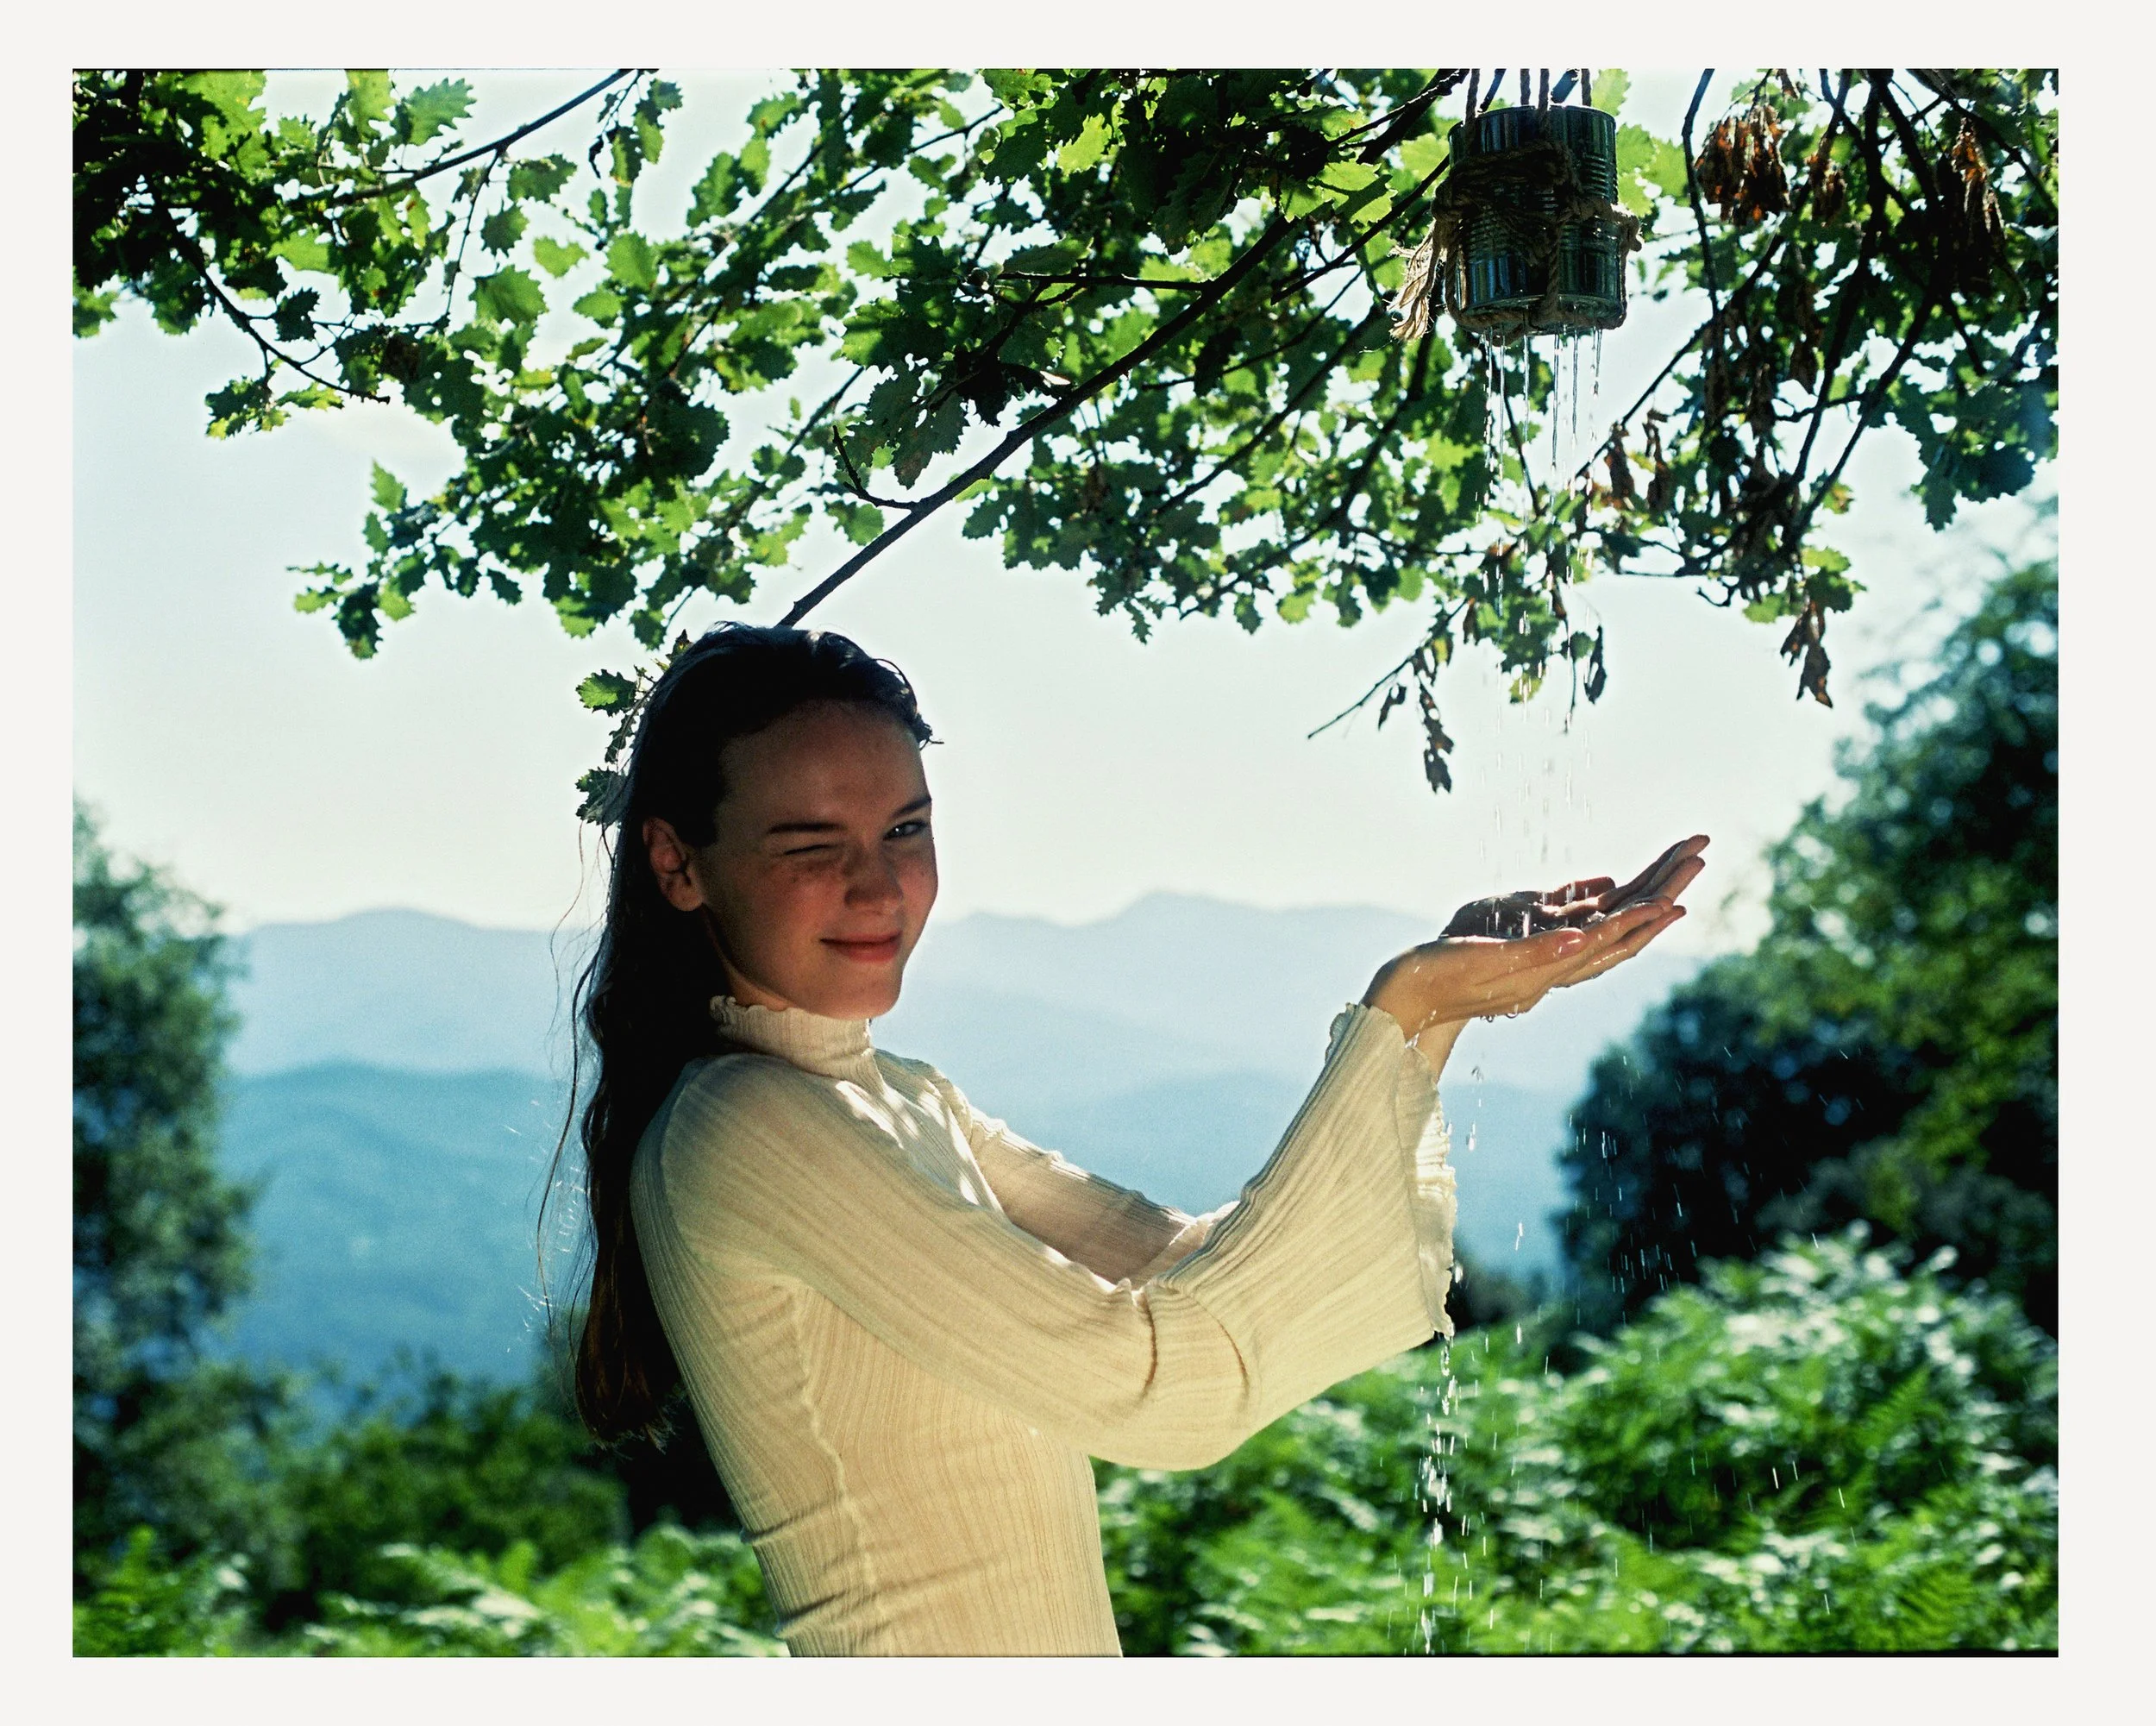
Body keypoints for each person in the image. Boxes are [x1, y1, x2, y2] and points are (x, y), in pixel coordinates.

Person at [560, 621, 1707, 1656]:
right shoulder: (748, 1125)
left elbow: (1183, 1263)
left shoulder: (898, 1098)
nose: (879, 887)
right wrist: (1399, 1011)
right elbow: (1168, 1387)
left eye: (905, 828)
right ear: (678, 865)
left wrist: (1438, 1011)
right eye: (813, 845)